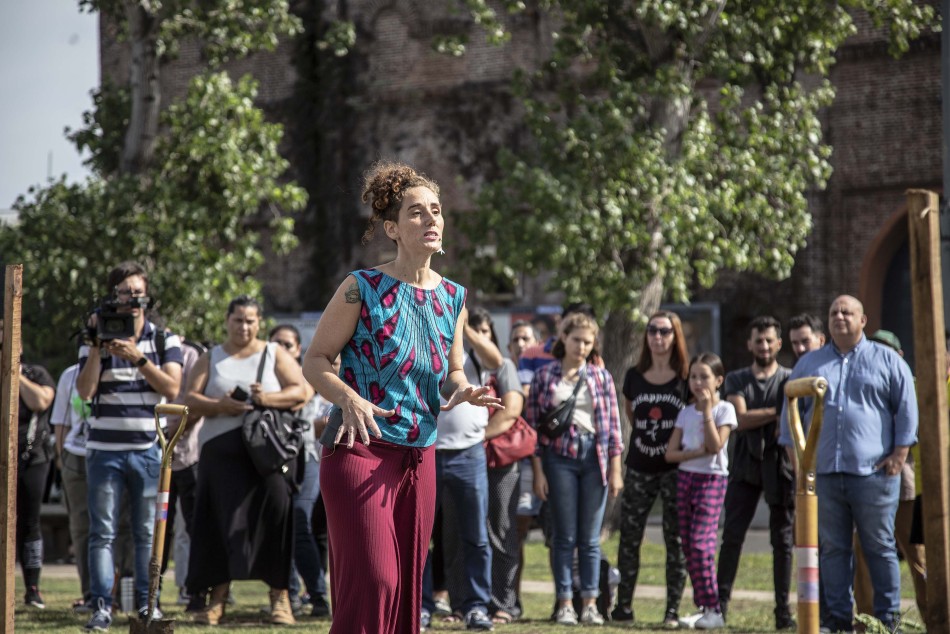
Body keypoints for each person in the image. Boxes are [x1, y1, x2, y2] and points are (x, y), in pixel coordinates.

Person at [301, 162, 502, 634]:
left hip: (420, 454)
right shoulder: (360, 287)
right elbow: (316, 360)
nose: (431, 219)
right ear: (391, 228)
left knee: (409, 587)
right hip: (359, 450)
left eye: (435, 210)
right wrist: (348, 397)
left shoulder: (453, 297)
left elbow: (451, 370)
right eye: (416, 213)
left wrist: (464, 388)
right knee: (377, 581)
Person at [778, 295, 917, 633]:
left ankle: (888, 623)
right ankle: (836, 621)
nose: (839, 316)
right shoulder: (810, 364)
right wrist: (798, 464)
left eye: (847, 312)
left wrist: (899, 457)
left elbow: (907, 411)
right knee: (833, 550)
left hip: (874, 474)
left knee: (881, 548)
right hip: (823, 475)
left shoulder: (887, 360)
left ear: (863, 320)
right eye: (833, 312)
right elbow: (790, 414)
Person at [183, 296, 308, 626]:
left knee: (278, 514)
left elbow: (301, 391)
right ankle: (216, 600)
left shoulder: (273, 353)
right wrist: (219, 405)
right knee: (219, 524)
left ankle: (280, 598)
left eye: (251, 320)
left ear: (259, 322)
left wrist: (267, 398)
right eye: (238, 320)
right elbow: (189, 399)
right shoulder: (212, 356)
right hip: (219, 455)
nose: (244, 326)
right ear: (227, 320)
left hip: (264, 455)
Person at [75, 262, 184, 632]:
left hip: (146, 450)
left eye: (138, 292)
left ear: (146, 294)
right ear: (113, 296)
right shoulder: (97, 338)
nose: (132, 299)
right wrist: (95, 348)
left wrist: (137, 357)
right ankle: (101, 606)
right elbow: (85, 392)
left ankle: (146, 604)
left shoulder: (163, 339)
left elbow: (172, 388)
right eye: (124, 292)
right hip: (103, 449)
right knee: (102, 531)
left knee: (145, 531)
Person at [526, 312, 624, 626]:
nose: (581, 346)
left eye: (587, 341)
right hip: (558, 458)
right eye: (576, 339)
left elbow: (612, 426)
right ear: (563, 338)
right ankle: (565, 602)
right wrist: (538, 472)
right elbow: (534, 429)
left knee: (591, 538)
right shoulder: (545, 376)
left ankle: (591, 604)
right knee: (564, 536)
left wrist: (616, 468)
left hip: (594, 456)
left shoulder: (600, 377)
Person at [420, 306, 503, 631]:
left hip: (468, 454)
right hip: (427, 450)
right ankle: (422, 606)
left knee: (476, 536)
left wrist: (462, 328)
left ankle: (476, 607)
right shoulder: (424, 346)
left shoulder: (473, 349)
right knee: (422, 536)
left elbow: (497, 362)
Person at [716, 316, 795, 630]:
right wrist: (778, 412)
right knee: (732, 537)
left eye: (769, 340)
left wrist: (758, 415)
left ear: (779, 343)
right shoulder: (736, 379)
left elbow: (785, 419)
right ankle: (719, 606)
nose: (763, 346)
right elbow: (740, 418)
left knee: (783, 543)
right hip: (745, 466)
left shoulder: (790, 378)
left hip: (781, 466)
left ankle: (782, 612)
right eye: (758, 340)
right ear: (749, 344)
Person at [612, 311, 688, 627]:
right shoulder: (634, 376)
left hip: (675, 469)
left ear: (675, 336)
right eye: (652, 331)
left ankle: (672, 610)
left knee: (676, 541)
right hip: (640, 467)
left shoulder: (685, 378)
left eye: (665, 332)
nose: (658, 337)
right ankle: (624, 608)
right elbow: (632, 414)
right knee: (629, 537)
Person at [852, 330, 927, 623]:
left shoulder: (915, 387)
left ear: (899, 356)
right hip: (865, 482)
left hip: (907, 483)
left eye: (886, 352)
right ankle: (868, 624)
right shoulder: (861, 386)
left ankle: (937, 620)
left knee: (918, 556)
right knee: (863, 553)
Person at [665, 352, 737, 630]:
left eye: (704, 377)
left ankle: (714, 608)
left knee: (701, 544)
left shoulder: (724, 410)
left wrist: (707, 412)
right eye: (693, 376)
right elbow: (671, 454)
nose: (697, 382)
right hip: (686, 478)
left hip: (712, 479)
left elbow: (716, 445)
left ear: (719, 380)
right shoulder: (685, 412)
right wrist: (694, 453)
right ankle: (703, 606)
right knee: (688, 546)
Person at [468, 309, 527, 624]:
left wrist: (476, 438)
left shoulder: (503, 367)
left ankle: (505, 602)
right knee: (464, 531)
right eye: (472, 329)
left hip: (500, 462)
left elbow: (511, 411)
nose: (477, 336)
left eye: (484, 331)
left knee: (501, 530)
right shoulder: (458, 365)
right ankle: (467, 601)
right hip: (464, 459)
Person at [269, 323, 331, 618]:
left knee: (299, 523)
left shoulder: (307, 376)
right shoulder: (265, 377)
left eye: (288, 345)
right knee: (279, 526)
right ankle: (288, 594)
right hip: (268, 460)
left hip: (305, 460)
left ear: (298, 349)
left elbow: (306, 400)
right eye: (276, 344)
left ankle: (318, 595)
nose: (282, 350)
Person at [0, 320, 56, 610]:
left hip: (32, 459)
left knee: (29, 522)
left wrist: (14, 372)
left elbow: (41, 402)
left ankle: (32, 588)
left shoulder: (36, 374)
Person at [50, 362, 93, 612]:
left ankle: (123, 591)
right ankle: (90, 593)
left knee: (120, 526)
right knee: (81, 526)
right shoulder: (70, 374)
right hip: (76, 456)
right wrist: (62, 459)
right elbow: (60, 422)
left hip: (111, 452)